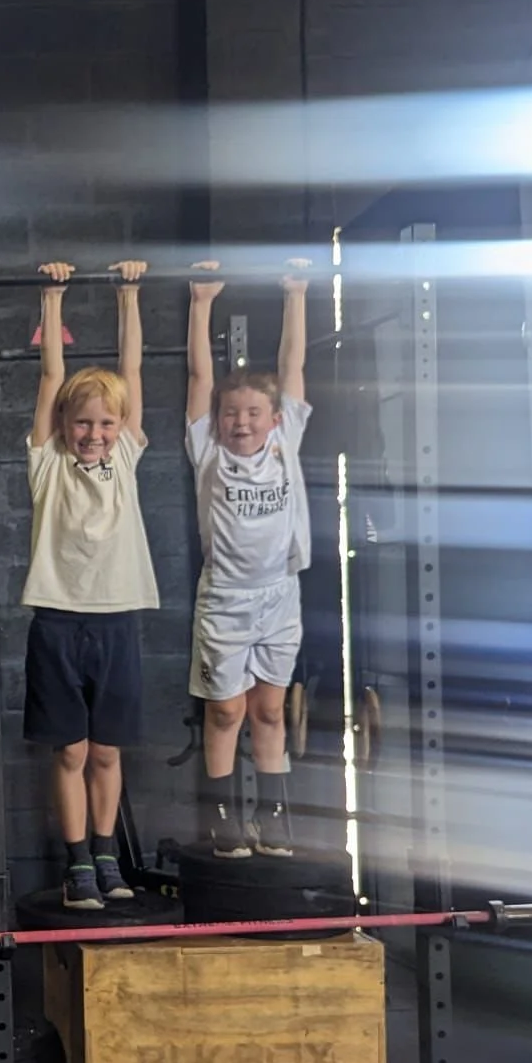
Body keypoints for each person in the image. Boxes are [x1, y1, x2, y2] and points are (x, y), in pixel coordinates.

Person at [23, 260, 154, 908]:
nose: (95, 435)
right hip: (58, 619)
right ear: (64, 427)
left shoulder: (125, 454)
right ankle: (78, 862)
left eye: (106, 425)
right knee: (70, 752)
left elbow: (131, 377)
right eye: (83, 424)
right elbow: (52, 375)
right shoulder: (48, 463)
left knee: (106, 752)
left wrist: (128, 296)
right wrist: (54, 297)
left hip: (116, 617)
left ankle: (107, 855)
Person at [184, 260, 313, 857]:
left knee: (268, 709)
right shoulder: (207, 449)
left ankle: (275, 815)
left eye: (252, 414)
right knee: (225, 710)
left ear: (274, 419)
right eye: (231, 413)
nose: (241, 423)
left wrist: (295, 294)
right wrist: (202, 301)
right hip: (227, 599)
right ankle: (220, 817)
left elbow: (293, 368)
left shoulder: (286, 443)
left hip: (279, 594)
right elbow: (198, 373)